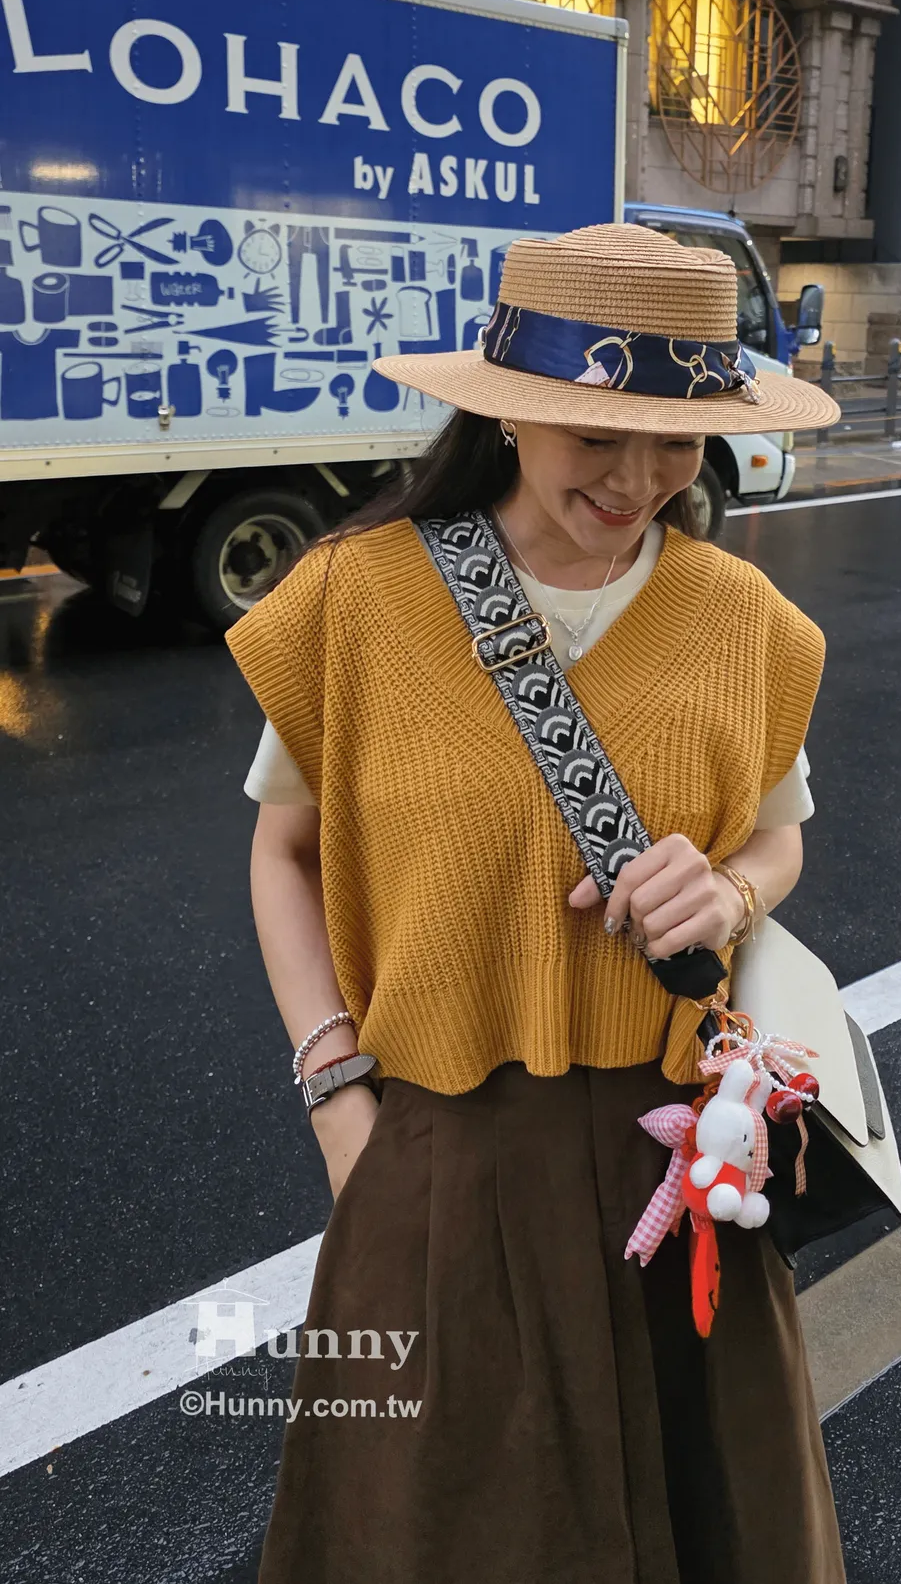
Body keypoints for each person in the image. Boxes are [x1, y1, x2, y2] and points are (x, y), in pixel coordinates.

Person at [228, 223, 846, 1584]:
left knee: (716, 1516)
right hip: (442, 1149)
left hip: (681, 1157)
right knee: (436, 1530)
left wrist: (728, 888)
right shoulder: (356, 597)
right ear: (506, 411)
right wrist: (337, 1096)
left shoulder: (746, 620)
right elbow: (283, 850)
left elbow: (779, 839)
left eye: (676, 439)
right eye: (595, 434)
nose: (637, 479)